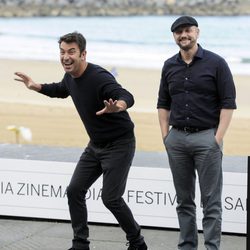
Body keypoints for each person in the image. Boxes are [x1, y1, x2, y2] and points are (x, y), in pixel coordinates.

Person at [14, 32, 147, 250]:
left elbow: (126, 95)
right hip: (95, 145)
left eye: (71, 52)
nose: (66, 57)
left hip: (119, 144)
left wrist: (118, 106)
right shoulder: (70, 77)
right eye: (62, 52)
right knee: (74, 190)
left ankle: (137, 242)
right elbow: (60, 89)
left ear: (83, 54)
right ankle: (80, 244)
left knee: (111, 198)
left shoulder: (99, 77)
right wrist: (35, 86)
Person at [157, 16, 236, 250]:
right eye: (178, 32)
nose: (183, 35)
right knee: (183, 201)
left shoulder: (217, 63)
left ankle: (212, 247)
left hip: (207, 139)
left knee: (211, 202)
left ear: (197, 33)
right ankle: (187, 246)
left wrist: (216, 139)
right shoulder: (169, 65)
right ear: (174, 36)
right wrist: (166, 137)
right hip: (177, 139)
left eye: (187, 30)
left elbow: (228, 103)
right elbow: (163, 103)